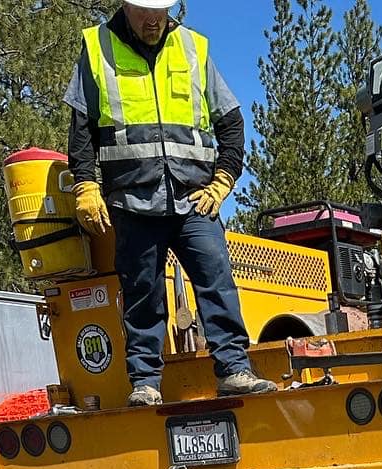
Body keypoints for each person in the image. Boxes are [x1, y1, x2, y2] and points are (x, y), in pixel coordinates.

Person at [65, 3, 276, 408]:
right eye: (144, 12)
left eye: (159, 12)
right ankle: (145, 382)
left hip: (194, 197)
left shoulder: (192, 47)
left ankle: (233, 369)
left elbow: (230, 121)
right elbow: (81, 129)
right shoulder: (97, 48)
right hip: (132, 198)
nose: (153, 21)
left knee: (216, 280)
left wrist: (224, 180)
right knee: (142, 292)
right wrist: (86, 185)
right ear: (125, 6)